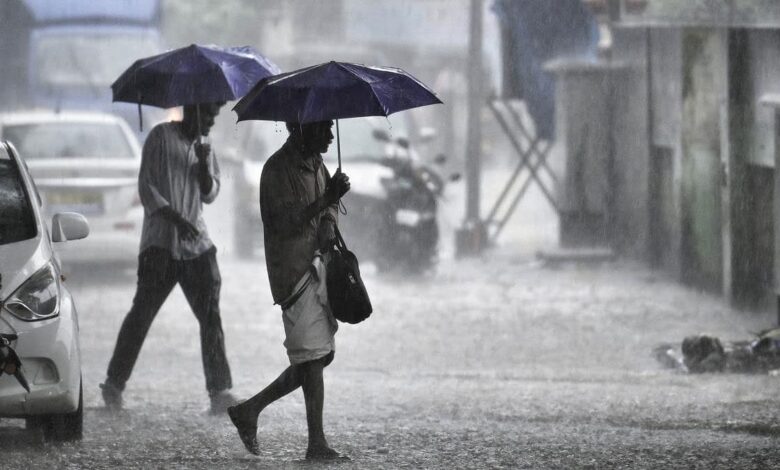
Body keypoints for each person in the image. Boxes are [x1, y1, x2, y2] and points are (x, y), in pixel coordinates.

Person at [100, 102, 237, 414]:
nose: (211, 122)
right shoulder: (160, 137)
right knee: (141, 315)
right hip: (159, 245)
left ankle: (219, 391)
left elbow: (209, 194)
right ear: (192, 110)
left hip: (198, 247)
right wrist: (176, 219)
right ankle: (113, 384)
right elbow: (146, 188)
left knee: (210, 316)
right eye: (208, 114)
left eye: (215, 116)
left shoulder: (206, 147)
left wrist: (203, 166)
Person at [228, 120, 351, 460]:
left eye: (330, 128)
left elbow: (326, 213)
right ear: (301, 129)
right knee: (312, 357)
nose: (329, 136)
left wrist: (329, 215)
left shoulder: (318, 164)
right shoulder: (276, 170)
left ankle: (250, 410)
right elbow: (282, 224)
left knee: (320, 355)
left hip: (317, 267)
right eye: (323, 128)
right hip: (292, 273)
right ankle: (316, 443)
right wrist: (327, 198)